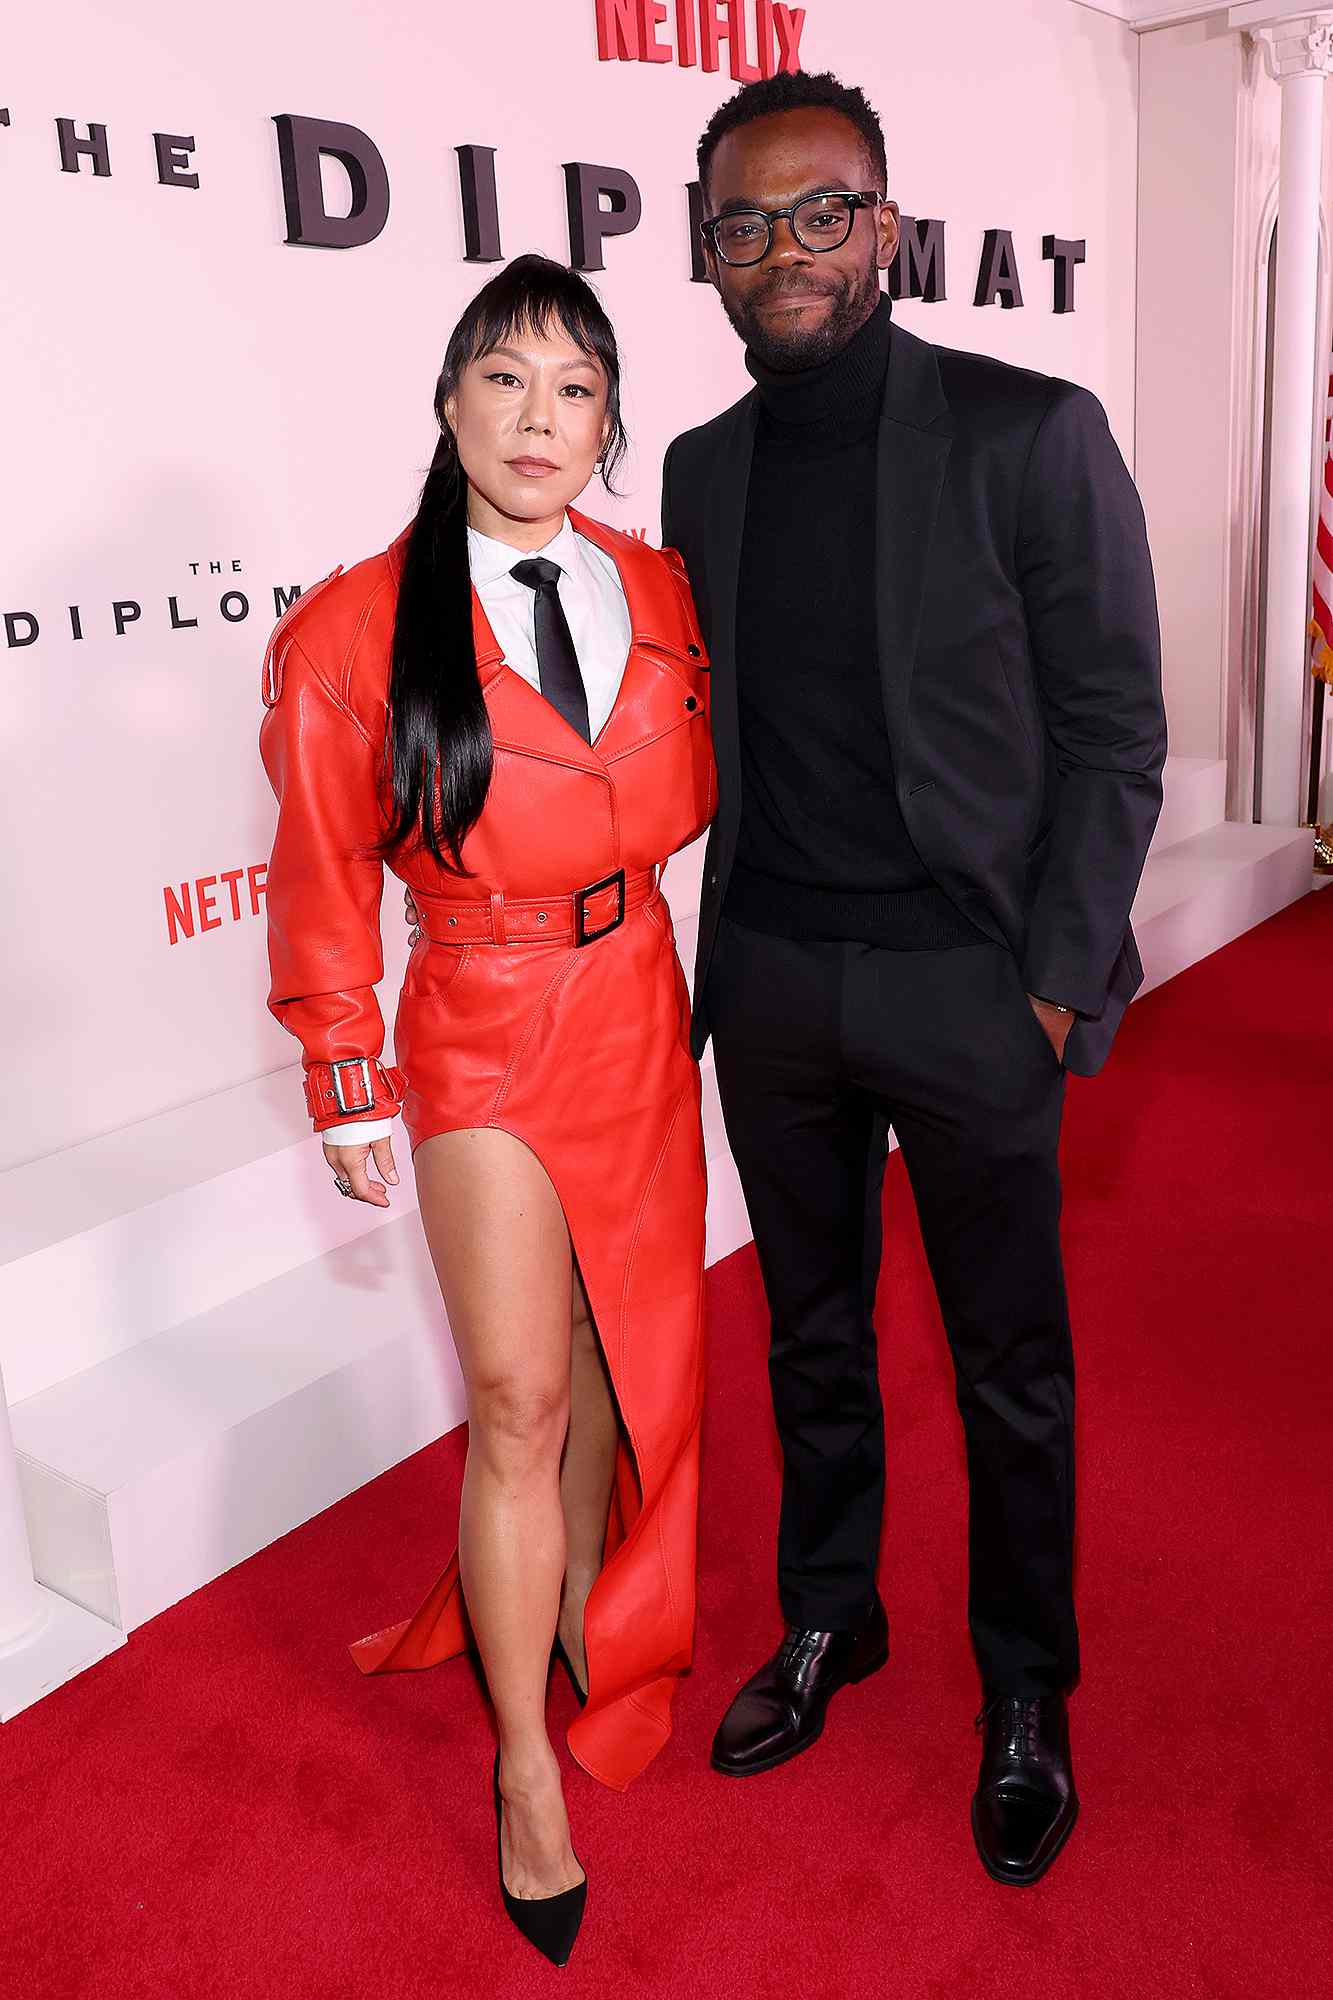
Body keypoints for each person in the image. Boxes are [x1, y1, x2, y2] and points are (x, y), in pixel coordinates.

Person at [662, 71, 1166, 1885]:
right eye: (746, 222)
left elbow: (1115, 732)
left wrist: (1048, 975)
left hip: (967, 986)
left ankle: (1024, 1690)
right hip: (777, 980)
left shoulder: (1026, 432)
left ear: (884, 228)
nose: (783, 250)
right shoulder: (698, 469)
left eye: (819, 214)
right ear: (706, 249)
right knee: (808, 1338)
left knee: (1006, 1366)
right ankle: (830, 1616)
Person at [259, 253, 715, 1966]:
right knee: (520, 1394)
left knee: (610, 1349)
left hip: (639, 1004)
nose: (541, 419)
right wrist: (340, 1067)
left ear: (609, 425)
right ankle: (525, 1770)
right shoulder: (353, 629)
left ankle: (600, 1616)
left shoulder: (662, 585)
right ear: (447, 404)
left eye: (576, 388)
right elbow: (318, 875)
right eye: (505, 380)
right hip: (477, 1020)